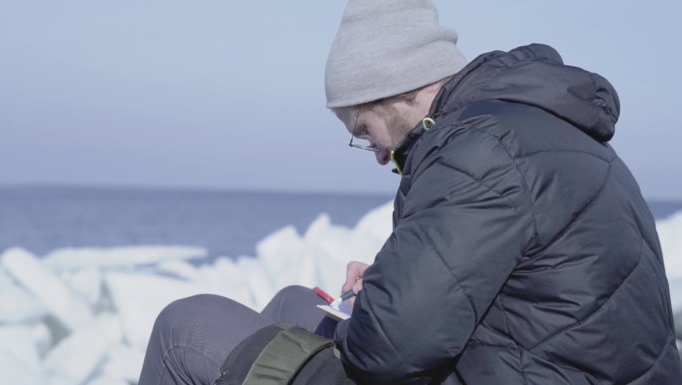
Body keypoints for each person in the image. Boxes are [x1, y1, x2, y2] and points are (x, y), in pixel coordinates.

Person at [139, 0, 682, 384]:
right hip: (537, 366)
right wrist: (389, 282)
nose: (377, 155)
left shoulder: (476, 149)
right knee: (295, 305)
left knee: (186, 325)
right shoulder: (536, 129)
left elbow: (391, 351)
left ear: (392, 92)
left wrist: (376, 305)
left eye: (363, 131)